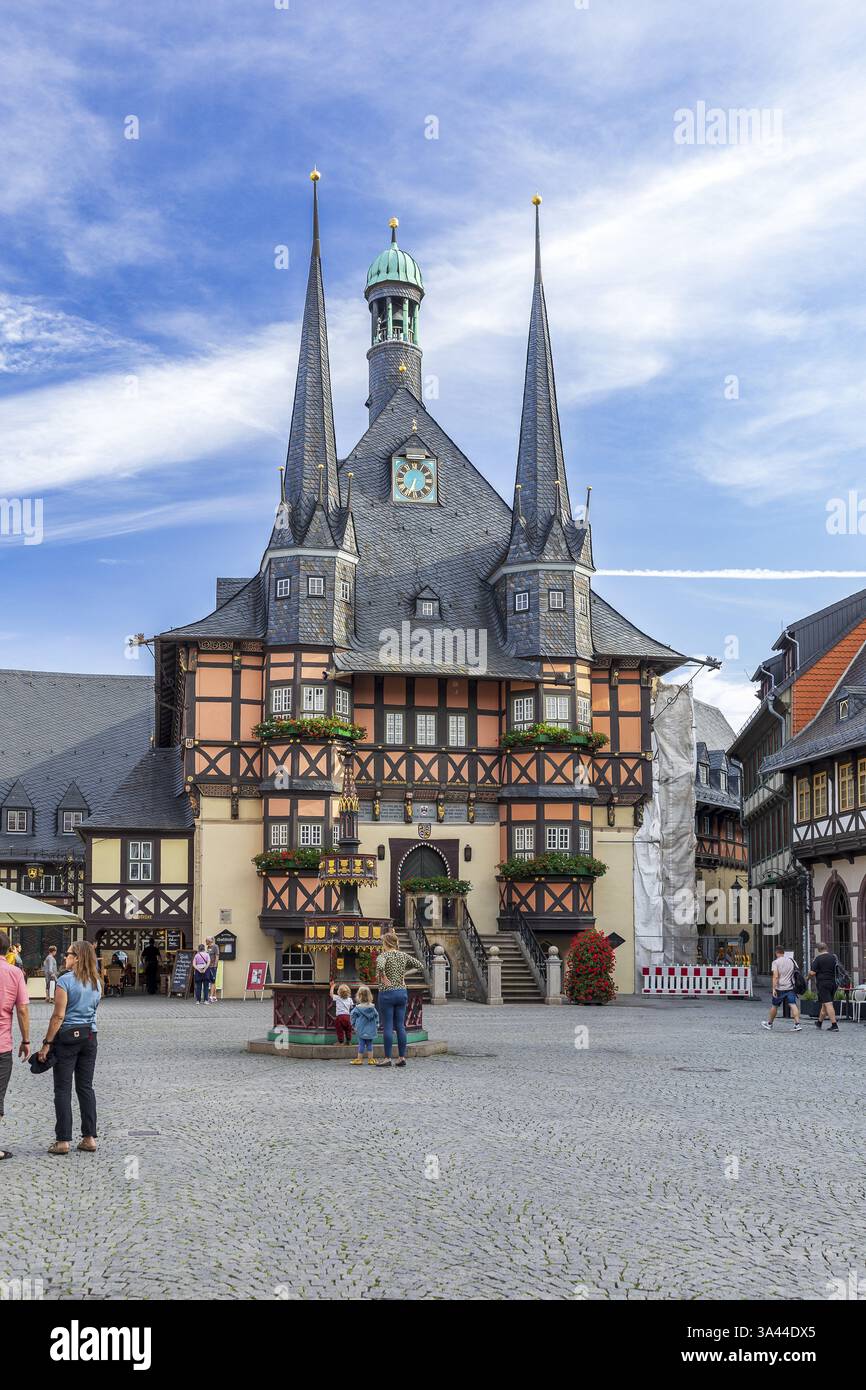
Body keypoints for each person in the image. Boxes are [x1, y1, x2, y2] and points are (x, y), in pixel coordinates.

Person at [36, 941, 101, 1156]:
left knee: (62, 1089)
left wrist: (47, 1044)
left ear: (78, 957)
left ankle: (63, 1140)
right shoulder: (96, 982)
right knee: (85, 1087)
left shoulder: (65, 981)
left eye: (69, 954)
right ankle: (89, 1138)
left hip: (67, 1039)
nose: (65, 957)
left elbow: (58, 1016)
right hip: (90, 1037)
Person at [374, 929, 425, 1067]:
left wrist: (383, 977)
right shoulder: (403, 955)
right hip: (401, 993)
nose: (382, 945)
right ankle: (402, 1057)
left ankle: (387, 1058)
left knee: (388, 1026)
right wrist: (404, 975)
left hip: (387, 993)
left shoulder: (383, 956)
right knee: (401, 1026)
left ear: (386, 943)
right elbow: (420, 966)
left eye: (383, 943)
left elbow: (379, 966)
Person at [0, 932, 31, 1159]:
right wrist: (26, 1040)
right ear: (8, 949)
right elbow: (22, 1009)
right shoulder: (14, 973)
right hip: (2, 1046)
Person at [762, 945, 802, 1031]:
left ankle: (769, 1024)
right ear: (783, 952)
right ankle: (797, 1024)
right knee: (793, 1004)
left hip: (780, 988)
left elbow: (775, 976)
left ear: (776, 953)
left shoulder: (775, 962)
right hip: (791, 987)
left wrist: (773, 988)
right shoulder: (792, 961)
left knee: (775, 1006)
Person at [808, 942, 841, 1032]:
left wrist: (807, 977)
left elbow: (812, 972)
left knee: (828, 1004)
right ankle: (819, 1022)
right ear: (826, 948)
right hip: (833, 983)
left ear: (818, 950)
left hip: (823, 984)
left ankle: (834, 1025)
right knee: (824, 1004)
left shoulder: (818, 959)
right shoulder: (833, 957)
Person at [349, 985, 379, 1065]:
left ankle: (359, 1059)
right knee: (370, 1044)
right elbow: (376, 1016)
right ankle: (371, 1059)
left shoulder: (357, 1008)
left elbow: (352, 1016)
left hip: (360, 1029)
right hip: (371, 1029)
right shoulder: (372, 1008)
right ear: (369, 996)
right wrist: (377, 1025)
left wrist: (353, 1025)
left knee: (361, 1044)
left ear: (359, 996)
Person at [206, 937, 219, 1004]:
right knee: (212, 980)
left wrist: (215, 965)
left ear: (210, 941)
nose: (206, 942)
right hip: (209, 966)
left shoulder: (215, 946)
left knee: (212, 981)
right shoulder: (208, 947)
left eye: (207, 940)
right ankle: (215, 997)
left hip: (213, 966)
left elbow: (217, 956)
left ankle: (211, 997)